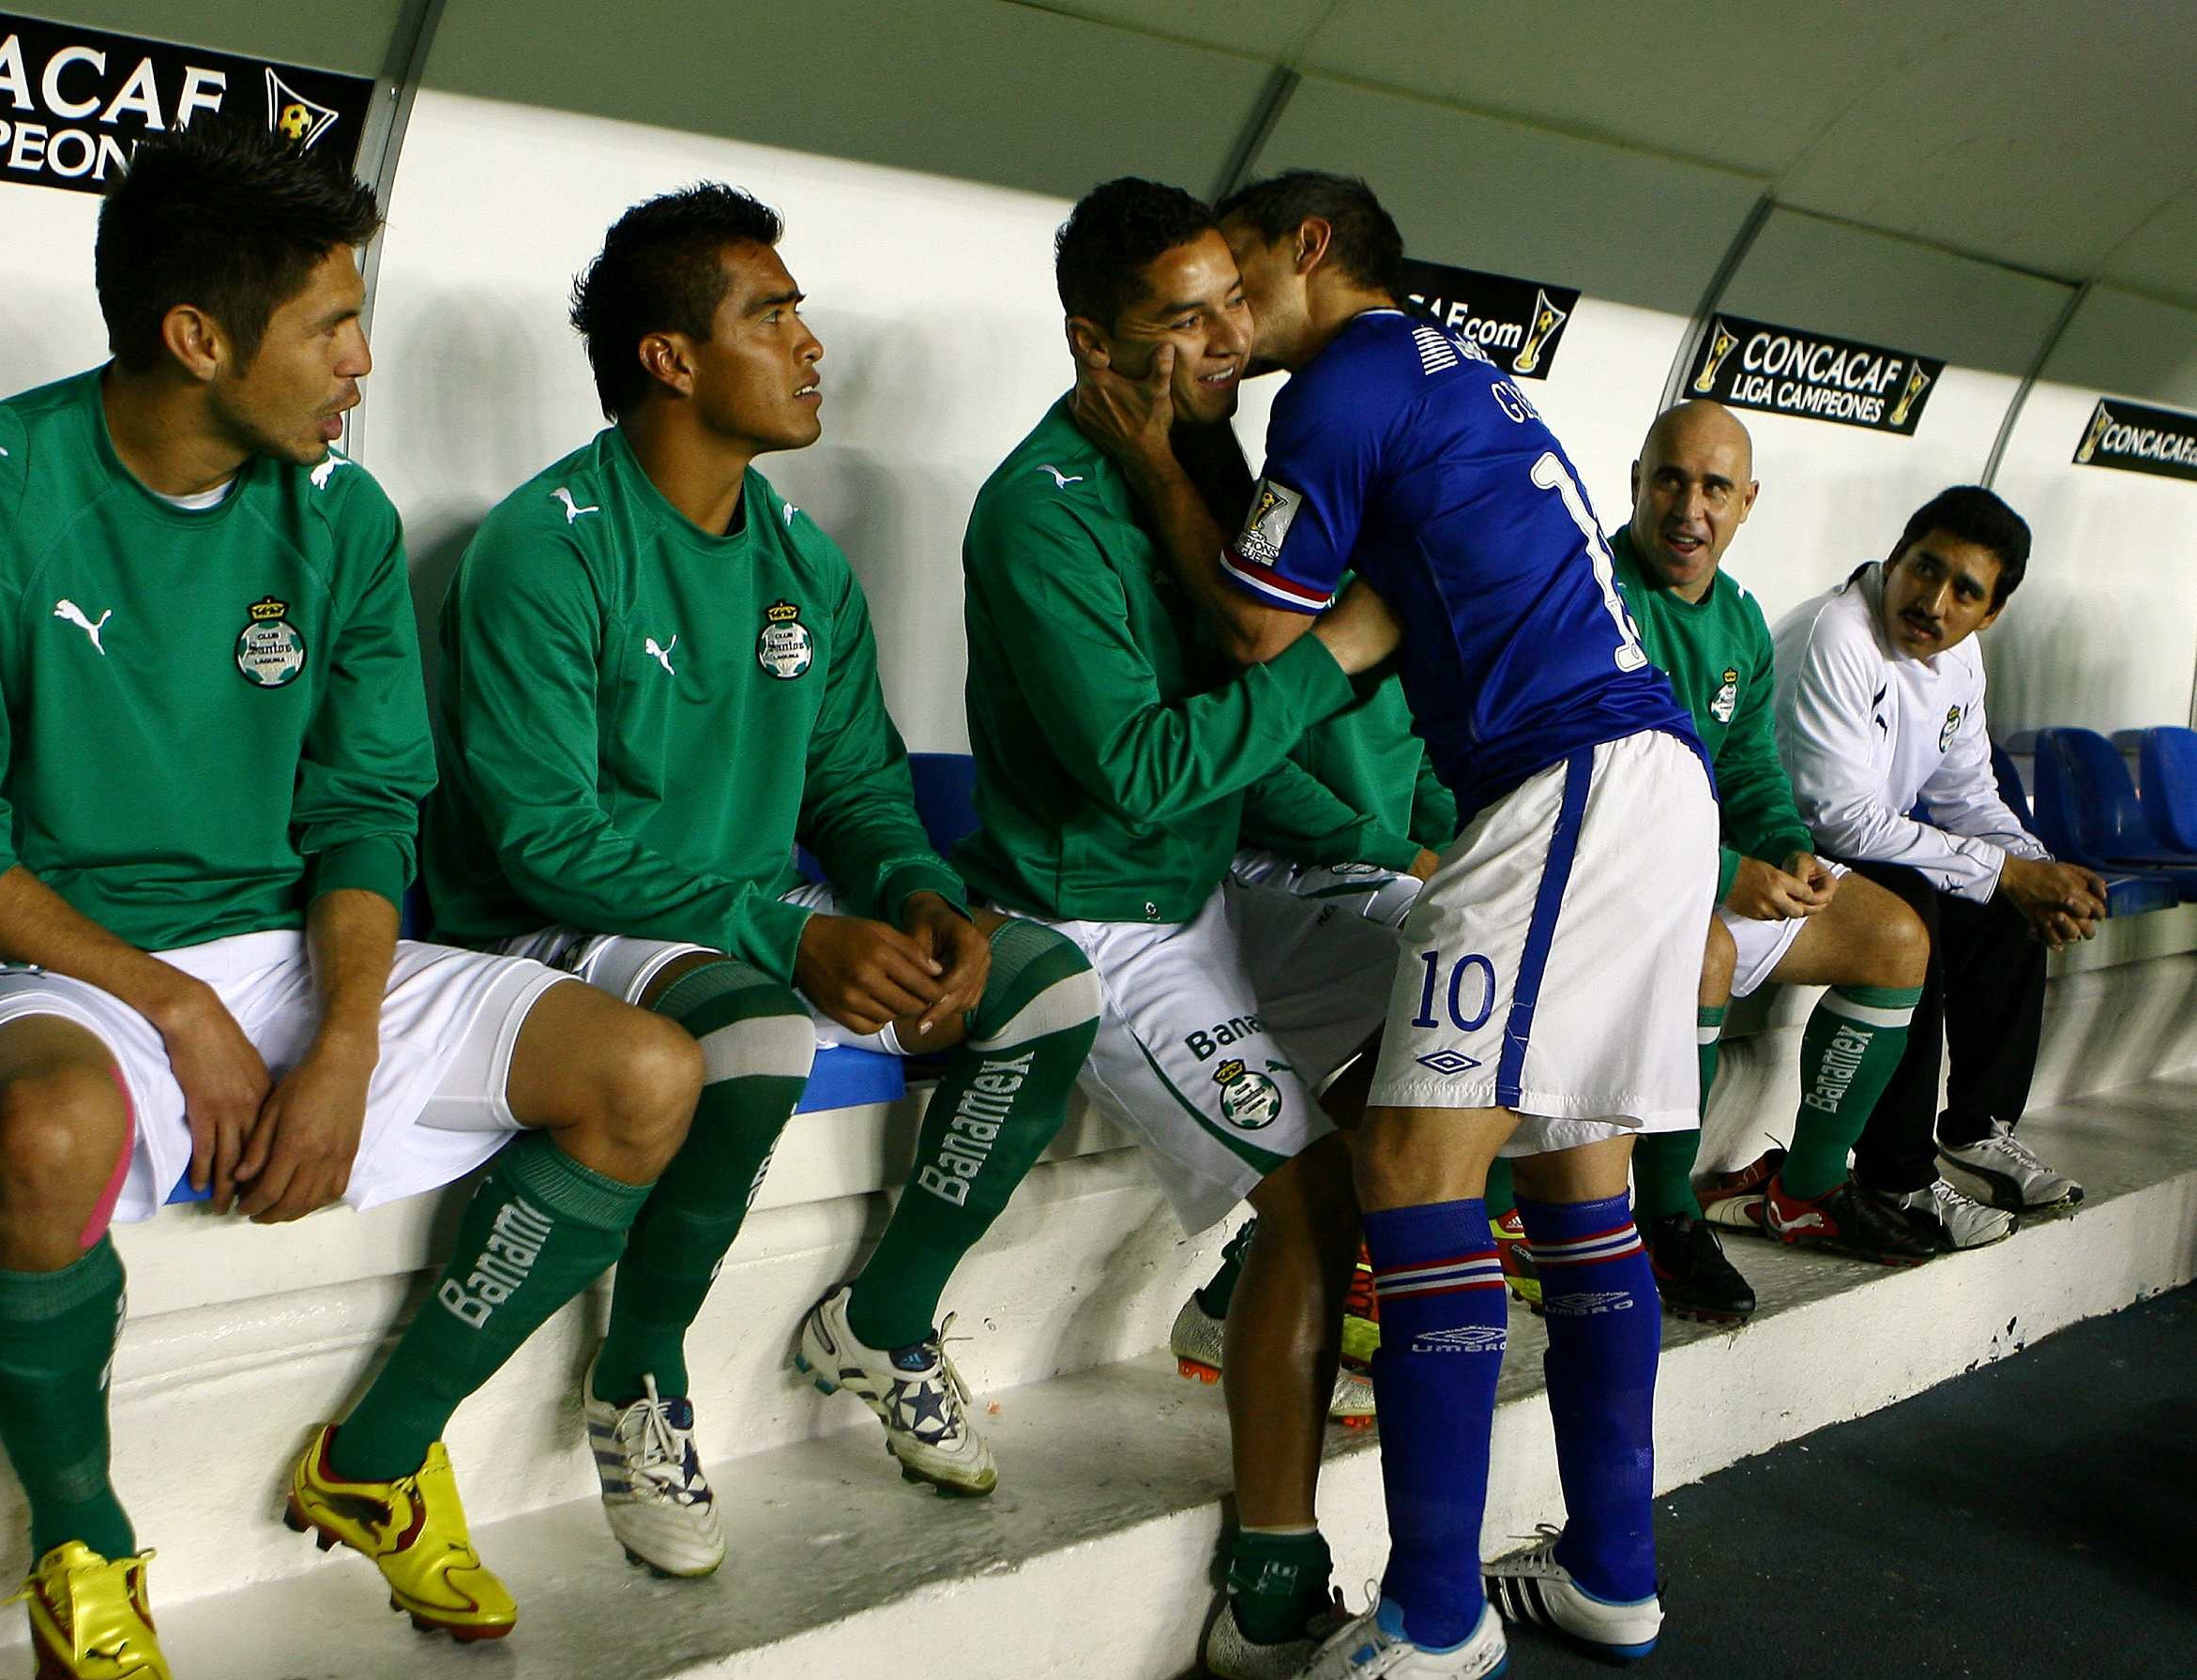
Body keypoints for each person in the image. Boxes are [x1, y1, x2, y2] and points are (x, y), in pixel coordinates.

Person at [0, 122, 704, 1672]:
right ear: (197, 338)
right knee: (38, 1133)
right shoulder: (9, 489)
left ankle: (380, 1453)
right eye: (329, 324)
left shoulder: (342, 520)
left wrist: (343, 1044)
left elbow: (366, 814)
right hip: (63, 960)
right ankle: (80, 1538)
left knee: (648, 1073)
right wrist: (174, 1005)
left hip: (293, 950)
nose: (359, 362)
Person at [1076, 167, 1718, 1676]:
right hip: (1632, 779)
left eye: (1239, 281)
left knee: (1413, 1169)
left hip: (1566, 784)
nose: (1227, 317)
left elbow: (1254, 626)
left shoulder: (1347, 381)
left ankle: (1431, 1617)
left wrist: (1164, 459)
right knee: (1578, 1172)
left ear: (1309, 250)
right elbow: (1361, 632)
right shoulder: (1455, 371)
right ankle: (1610, 1571)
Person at [423, 186, 1101, 1570]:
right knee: (755, 1026)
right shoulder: (543, 546)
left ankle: (883, 1319)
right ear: (669, 358)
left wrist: (914, 890)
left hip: (727, 914)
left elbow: (853, 789)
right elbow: (542, 839)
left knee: (1044, 989)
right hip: (553, 927)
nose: (807, 342)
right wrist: (787, 940)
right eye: (770, 313)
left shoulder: (801, 558)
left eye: (797, 311)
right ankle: (639, 1377)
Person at [958, 178, 1407, 1680]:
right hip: (1098, 920)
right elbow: (1145, 767)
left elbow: (1252, 680)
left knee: (1473, 982)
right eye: (1180, 317)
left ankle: (1246, 1305)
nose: (1227, 339)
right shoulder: (1036, 509)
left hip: (1216, 890)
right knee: (1313, 1196)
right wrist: (1341, 644)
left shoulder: (1214, 455)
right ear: (1094, 341)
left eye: (1233, 300)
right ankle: (1262, 1591)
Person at [1489, 401, 1939, 1322]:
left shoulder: (1737, 620)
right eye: (1669, 479)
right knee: (1706, 955)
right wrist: (1726, 869)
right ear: (1633, 484)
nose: (1687, 507)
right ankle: (1659, 1219)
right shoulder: (1583, 595)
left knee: (1895, 937)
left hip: (1706, 868)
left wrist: (1784, 847)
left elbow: (1749, 768)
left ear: (1745, 504)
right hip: (1591, 871)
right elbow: (1584, 789)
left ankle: (1802, 1191)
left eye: (1713, 488)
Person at [1769, 487, 2103, 1231]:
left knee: (2007, 901)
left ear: (1990, 614)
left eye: (1965, 592)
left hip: (1862, 845)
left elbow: (1967, 796)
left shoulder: (1961, 659)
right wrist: (2007, 870)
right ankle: (1897, 1175)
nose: (1933, 600)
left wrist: (2036, 871)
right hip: (1778, 850)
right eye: (1924, 569)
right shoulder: (1838, 634)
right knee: (1908, 914)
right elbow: (1839, 818)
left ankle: (1977, 1128)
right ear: (1894, 559)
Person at [1172, 682, 1452, 1422]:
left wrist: (1471, 852)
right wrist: (1408, 854)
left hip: (1370, 864)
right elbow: (1247, 763)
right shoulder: (1285, 576)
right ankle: (1299, 1256)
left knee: (1483, 952)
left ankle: (1259, 1274)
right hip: (1262, 858)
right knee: (1447, 956)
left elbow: (1417, 763)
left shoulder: (1407, 589)